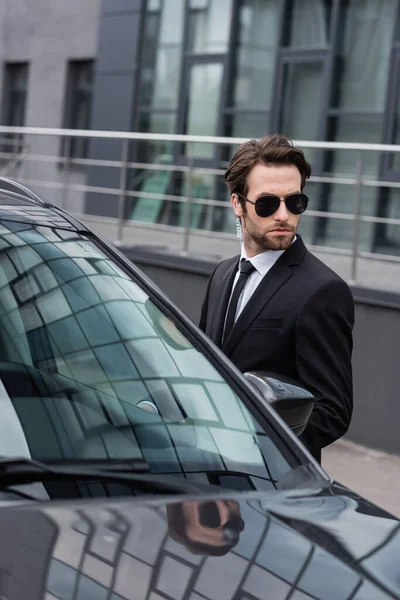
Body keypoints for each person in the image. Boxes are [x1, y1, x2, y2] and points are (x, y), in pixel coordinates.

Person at [199, 134, 354, 463]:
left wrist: (252, 450)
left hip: (273, 482)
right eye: (268, 203)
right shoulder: (222, 275)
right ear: (238, 204)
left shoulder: (322, 290)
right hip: (208, 470)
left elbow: (332, 411)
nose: (284, 215)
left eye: (295, 202)